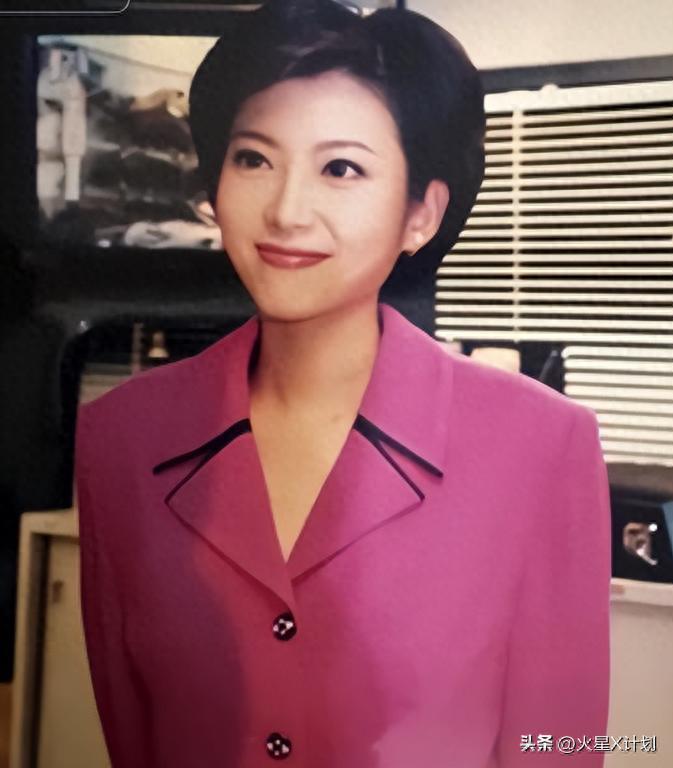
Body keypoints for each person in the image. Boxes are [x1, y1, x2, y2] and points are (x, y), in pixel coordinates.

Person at [74, 1, 611, 766]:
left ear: (420, 214)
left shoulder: (539, 446)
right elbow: (133, 738)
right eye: (253, 159)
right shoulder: (121, 437)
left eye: (340, 169)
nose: (286, 211)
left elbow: (559, 747)